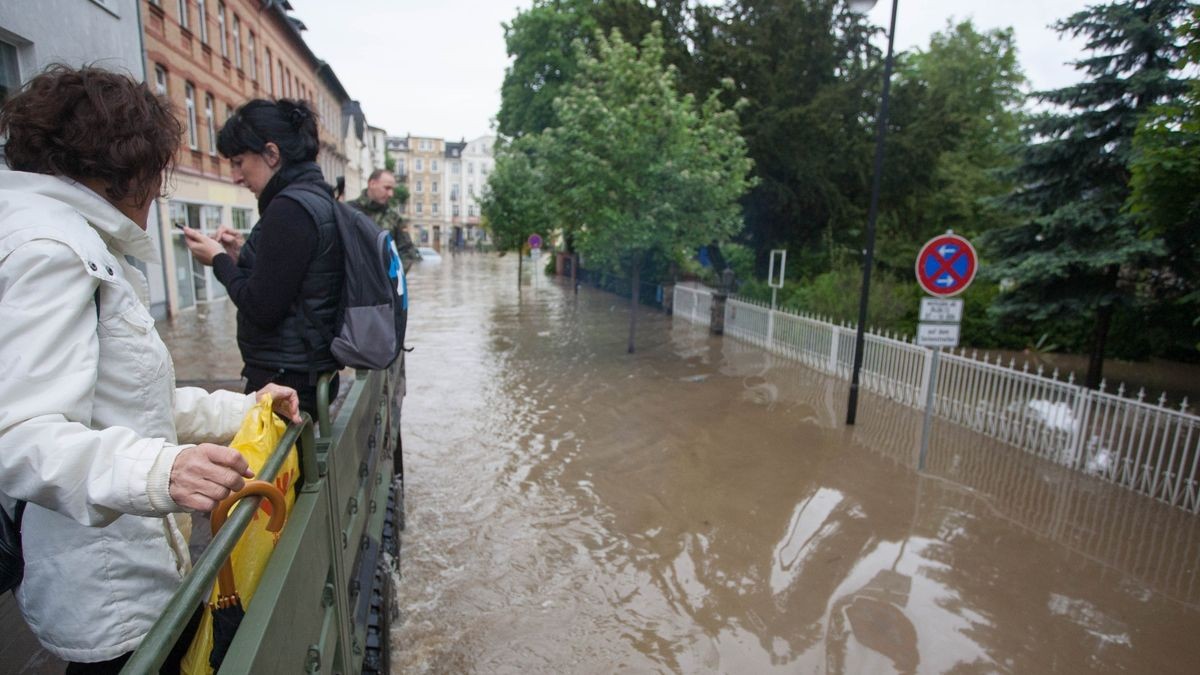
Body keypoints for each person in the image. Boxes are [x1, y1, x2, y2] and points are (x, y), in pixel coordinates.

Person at [0, 65, 303, 672]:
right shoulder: (51, 253)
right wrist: (163, 470)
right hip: (109, 597)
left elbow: (134, 397)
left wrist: (243, 410)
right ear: (130, 171)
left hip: (129, 577)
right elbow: (19, 436)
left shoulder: (74, 242)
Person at [182, 98, 344, 416]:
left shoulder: (289, 208)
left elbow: (261, 306)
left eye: (239, 161)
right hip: (303, 376)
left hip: (284, 384)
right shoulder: (314, 197)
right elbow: (298, 276)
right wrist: (240, 253)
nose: (236, 177)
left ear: (271, 153)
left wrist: (219, 260)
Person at [348, 169, 420, 271]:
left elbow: (407, 251)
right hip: (351, 280)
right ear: (372, 184)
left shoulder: (394, 218)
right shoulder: (347, 211)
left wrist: (392, 276)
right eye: (387, 188)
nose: (391, 194)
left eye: (392, 189)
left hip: (382, 281)